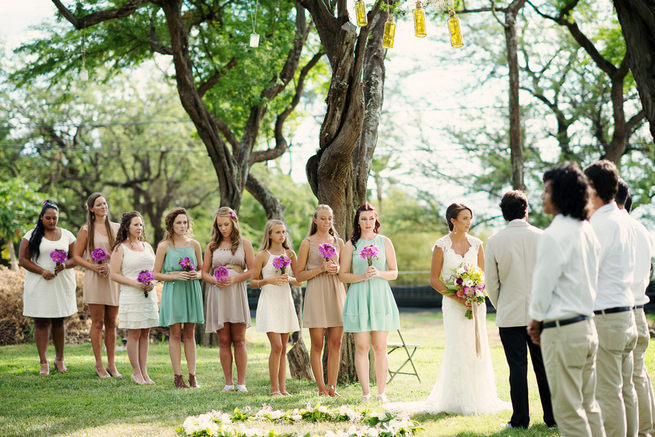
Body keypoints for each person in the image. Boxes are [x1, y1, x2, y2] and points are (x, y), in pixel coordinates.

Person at [387, 203, 509, 414]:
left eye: (470, 218)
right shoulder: (441, 245)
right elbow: (434, 279)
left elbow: (483, 275)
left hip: (475, 304)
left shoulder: (478, 244)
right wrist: (457, 296)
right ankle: (456, 399)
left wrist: (476, 293)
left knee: (477, 347)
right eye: (464, 218)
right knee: (458, 346)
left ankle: (480, 397)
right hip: (453, 305)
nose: (469, 222)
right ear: (453, 220)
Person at [527, 163, 605, 437]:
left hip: (562, 331)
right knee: (590, 406)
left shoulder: (554, 234)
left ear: (560, 194)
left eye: (546, 190)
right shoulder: (587, 231)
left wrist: (535, 321)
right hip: (587, 327)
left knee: (568, 413)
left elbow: (542, 287)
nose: (542, 196)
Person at [485, 191, 555, 429]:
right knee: (544, 367)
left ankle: (520, 420)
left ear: (503, 213)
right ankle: (552, 418)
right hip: (541, 313)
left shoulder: (494, 241)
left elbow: (491, 284)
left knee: (517, 368)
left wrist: (501, 305)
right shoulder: (544, 237)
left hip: (509, 313)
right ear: (526, 209)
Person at [584, 160, 638, 437]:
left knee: (608, 393)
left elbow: (587, 272)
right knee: (625, 388)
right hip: (626, 313)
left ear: (592, 188)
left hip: (606, 315)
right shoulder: (624, 220)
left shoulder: (600, 224)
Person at [340, 203, 399, 402]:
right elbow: (342, 276)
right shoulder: (351, 245)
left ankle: (381, 393)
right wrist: (362, 276)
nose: (367, 222)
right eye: (363, 218)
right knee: (362, 347)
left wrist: (379, 273)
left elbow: (394, 272)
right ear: (358, 221)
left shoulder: (385, 242)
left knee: (380, 347)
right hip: (358, 298)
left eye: (371, 218)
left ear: (376, 220)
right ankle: (366, 393)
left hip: (380, 297)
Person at [19, 200, 77, 375]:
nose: (52, 221)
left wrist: (65, 265)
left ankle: (59, 360)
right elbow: (23, 260)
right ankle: (43, 362)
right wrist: (42, 271)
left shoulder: (67, 235)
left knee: (59, 321)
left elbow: (75, 258)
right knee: (42, 322)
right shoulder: (31, 235)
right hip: (40, 284)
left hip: (61, 284)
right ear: (41, 217)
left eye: (55, 218)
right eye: (48, 218)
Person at [201, 207, 254, 393]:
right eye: (220, 225)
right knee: (223, 340)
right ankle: (228, 383)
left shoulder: (244, 244)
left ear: (233, 223)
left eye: (226, 224)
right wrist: (215, 281)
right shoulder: (211, 246)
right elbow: (204, 273)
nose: (223, 228)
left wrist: (235, 278)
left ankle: (241, 383)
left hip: (236, 292)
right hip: (219, 294)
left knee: (239, 339)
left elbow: (253, 270)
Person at [617, 179, 655, 437]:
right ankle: (647, 429)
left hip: (622, 310)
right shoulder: (641, 229)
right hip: (640, 307)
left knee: (622, 381)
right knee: (639, 375)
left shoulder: (615, 228)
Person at [295, 204, 346, 397]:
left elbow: (346, 270)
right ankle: (321, 388)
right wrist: (320, 269)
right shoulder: (307, 243)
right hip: (316, 293)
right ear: (315, 220)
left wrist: (337, 269)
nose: (326, 222)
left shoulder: (339, 242)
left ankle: (332, 387)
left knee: (336, 343)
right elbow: (299, 275)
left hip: (336, 291)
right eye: (322, 218)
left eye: (329, 218)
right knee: (317, 344)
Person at [153, 208, 204, 389]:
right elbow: (156, 274)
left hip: (191, 289)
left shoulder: (195, 245)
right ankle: (178, 376)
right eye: (178, 223)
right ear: (171, 225)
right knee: (175, 334)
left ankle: (192, 376)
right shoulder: (164, 246)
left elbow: (202, 271)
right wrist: (175, 276)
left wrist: (195, 275)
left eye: (185, 222)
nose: (182, 226)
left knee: (190, 334)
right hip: (173, 291)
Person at [72, 193, 121, 379]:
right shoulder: (86, 230)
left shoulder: (117, 228)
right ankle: (99, 364)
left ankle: (112, 364)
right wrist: (94, 266)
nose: (103, 207)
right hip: (95, 278)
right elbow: (76, 256)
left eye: (105, 203)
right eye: (99, 204)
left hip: (112, 278)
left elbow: (121, 253)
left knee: (111, 322)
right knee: (98, 322)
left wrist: (112, 266)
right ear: (91, 208)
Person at [250, 219, 301, 396]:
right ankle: (274, 388)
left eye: (284, 232)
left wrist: (291, 279)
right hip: (269, 302)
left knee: (284, 346)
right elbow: (253, 283)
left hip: (285, 301)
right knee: (277, 346)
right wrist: (267, 280)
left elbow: (300, 280)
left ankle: (283, 388)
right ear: (270, 234)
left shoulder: (290, 254)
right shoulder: (262, 255)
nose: (282, 235)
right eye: (278, 232)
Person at [109, 211, 158, 385]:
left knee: (146, 332)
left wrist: (153, 281)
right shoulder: (119, 248)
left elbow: (155, 271)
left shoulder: (147, 246)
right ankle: (136, 372)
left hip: (148, 294)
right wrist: (135, 283)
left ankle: (144, 372)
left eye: (141, 224)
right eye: (135, 224)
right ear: (126, 227)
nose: (139, 228)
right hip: (131, 294)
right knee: (135, 333)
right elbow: (114, 274)